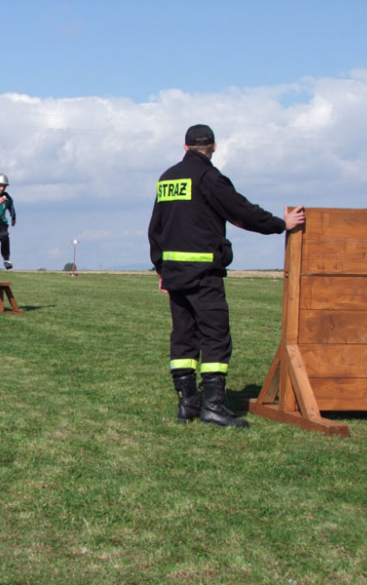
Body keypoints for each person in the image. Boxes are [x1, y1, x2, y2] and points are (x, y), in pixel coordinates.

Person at [148, 124, 305, 428]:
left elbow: (155, 227)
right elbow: (241, 211)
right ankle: (214, 408)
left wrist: (161, 269)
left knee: (183, 337)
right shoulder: (209, 177)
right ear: (214, 147)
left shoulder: (167, 178)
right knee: (216, 337)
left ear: (184, 147)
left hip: (176, 274)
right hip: (204, 273)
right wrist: (280, 224)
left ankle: (187, 405)